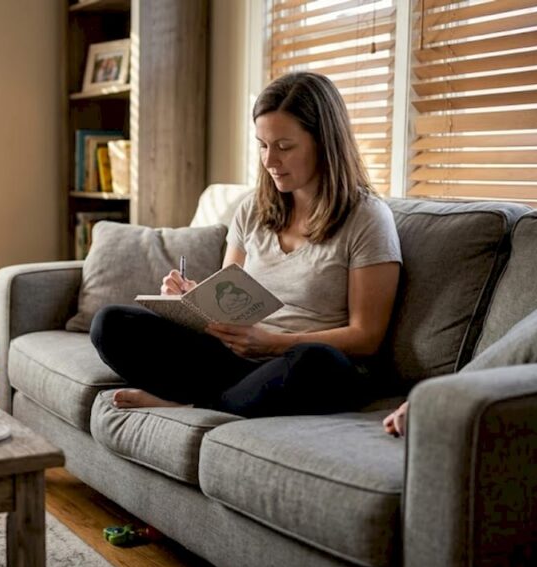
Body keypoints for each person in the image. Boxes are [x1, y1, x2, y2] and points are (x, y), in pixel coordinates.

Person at [90, 71, 403, 418]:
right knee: (112, 323)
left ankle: (192, 404)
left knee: (316, 362)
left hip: (302, 364)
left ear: (324, 142)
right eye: (263, 145)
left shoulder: (368, 218)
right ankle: (224, 400)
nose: (270, 161)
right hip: (239, 361)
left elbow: (367, 337)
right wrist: (190, 302)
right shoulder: (253, 210)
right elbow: (226, 302)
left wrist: (274, 343)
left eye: (284, 147)